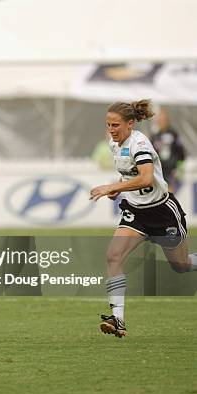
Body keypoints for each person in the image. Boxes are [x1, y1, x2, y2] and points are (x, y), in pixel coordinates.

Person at [90, 99, 197, 338]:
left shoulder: (140, 144)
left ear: (130, 124)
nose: (111, 129)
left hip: (162, 213)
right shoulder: (115, 144)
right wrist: (119, 187)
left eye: (116, 125)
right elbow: (130, 174)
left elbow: (147, 178)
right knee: (113, 256)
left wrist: (109, 187)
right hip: (137, 213)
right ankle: (118, 319)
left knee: (181, 265)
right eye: (108, 124)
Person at [151, 109, 185, 193]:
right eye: (160, 120)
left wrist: (178, 168)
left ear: (167, 121)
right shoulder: (155, 136)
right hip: (159, 170)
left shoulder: (174, 134)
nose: (161, 122)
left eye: (163, 120)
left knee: (170, 194)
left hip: (172, 171)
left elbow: (181, 153)